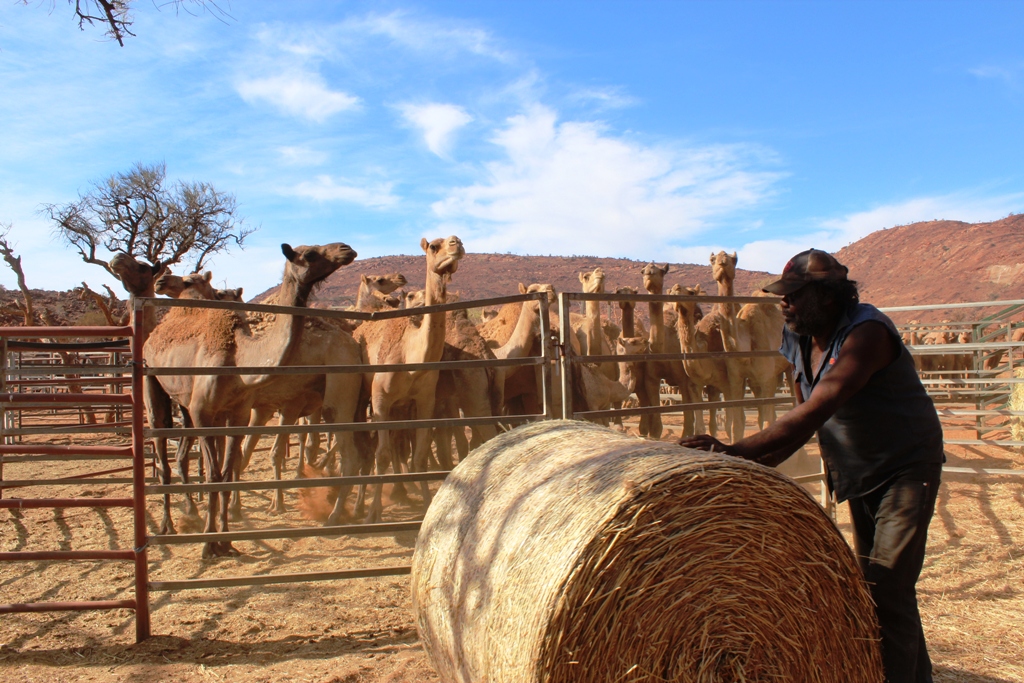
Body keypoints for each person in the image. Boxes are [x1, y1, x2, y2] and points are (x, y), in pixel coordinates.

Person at [679, 248, 943, 683]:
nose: (784, 303)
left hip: (905, 469)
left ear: (830, 295)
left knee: (885, 590)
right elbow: (801, 427)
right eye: (783, 294)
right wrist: (742, 471)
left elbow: (815, 411)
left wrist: (731, 451)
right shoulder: (798, 338)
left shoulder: (867, 334)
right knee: (885, 589)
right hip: (857, 472)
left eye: (795, 295)